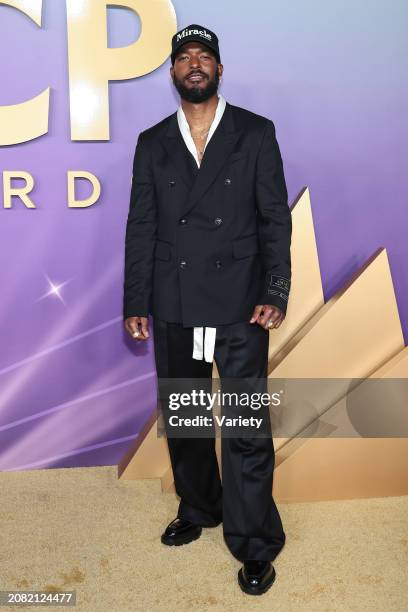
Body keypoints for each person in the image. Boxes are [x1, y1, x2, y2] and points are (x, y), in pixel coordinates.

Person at [123, 23, 292, 596]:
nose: (194, 64)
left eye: (204, 56)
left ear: (219, 70)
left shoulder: (255, 132)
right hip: (173, 300)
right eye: (184, 57)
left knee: (245, 424)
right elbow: (141, 225)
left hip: (242, 302)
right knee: (187, 420)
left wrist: (275, 291)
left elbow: (275, 218)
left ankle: (255, 543)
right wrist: (136, 299)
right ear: (172, 72)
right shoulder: (152, 140)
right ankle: (200, 507)